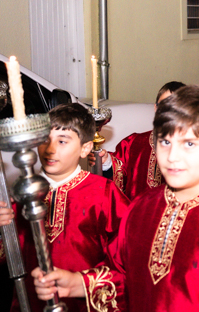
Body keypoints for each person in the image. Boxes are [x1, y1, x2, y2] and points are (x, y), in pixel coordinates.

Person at [30, 86, 199, 311]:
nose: (172, 156)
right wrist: (80, 284)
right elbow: (129, 279)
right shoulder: (143, 208)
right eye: (165, 141)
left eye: (189, 143)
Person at [0, 103, 129, 312]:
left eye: (62, 141)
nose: (50, 149)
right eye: (44, 140)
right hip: (30, 303)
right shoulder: (20, 194)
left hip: (83, 303)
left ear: (85, 148)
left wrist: (82, 283)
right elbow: (10, 255)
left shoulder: (104, 193)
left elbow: (128, 262)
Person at [94, 81, 185, 199]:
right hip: (136, 213)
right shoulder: (133, 142)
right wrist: (107, 162)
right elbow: (119, 173)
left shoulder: (191, 149)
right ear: (156, 108)